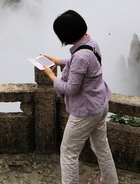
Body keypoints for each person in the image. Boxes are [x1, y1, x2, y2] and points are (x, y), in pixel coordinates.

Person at [40, 10, 118, 184]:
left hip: (86, 110)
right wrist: (58, 61)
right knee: (101, 146)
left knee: (68, 152)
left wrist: (52, 77)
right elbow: (81, 64)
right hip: (100, 103)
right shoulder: (91, 43)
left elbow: (71, 88)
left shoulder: (80, 56)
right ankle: (111, 181)